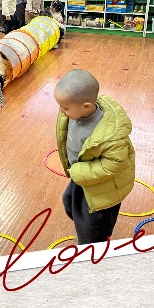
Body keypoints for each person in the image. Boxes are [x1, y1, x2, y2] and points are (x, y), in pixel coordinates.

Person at [54, 70, 135, 245]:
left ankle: (92, 246)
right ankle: (86, 236)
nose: (61, 111)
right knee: (69, 202)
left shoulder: (110, 135)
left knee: (94, 226)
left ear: (86, 107)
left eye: (65, 108)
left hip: (103, 188)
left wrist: (78, 171)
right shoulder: (74, 112)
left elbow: (114, 163)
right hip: (83, 175)